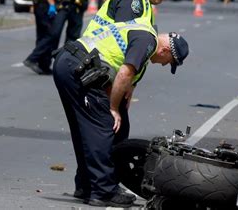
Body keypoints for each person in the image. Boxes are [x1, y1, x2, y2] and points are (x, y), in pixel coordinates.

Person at [53, 16, 189, 207]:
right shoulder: (147, 42)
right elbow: (124, 74)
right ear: (165, 50)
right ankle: (102, 192)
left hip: (68, 62)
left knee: (85, 129)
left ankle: (86, 184)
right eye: (169, 61)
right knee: (103, 128)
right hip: (78, 67)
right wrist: (113, 108)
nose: (164, 65)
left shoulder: (142, 32)